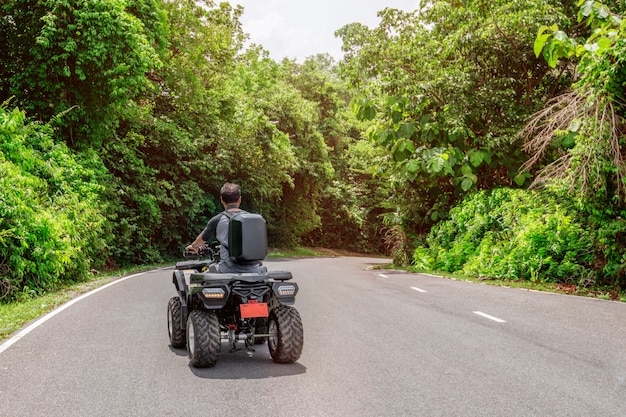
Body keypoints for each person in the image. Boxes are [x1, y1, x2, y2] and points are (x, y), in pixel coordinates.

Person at [186, 182, 262, 273]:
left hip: (227, 270)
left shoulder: (218, 220)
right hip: (254, 270)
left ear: (222, 200)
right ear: (239, 199)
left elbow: (203, 238)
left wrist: (194, 246)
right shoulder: (254, 219)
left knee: (200, 278)